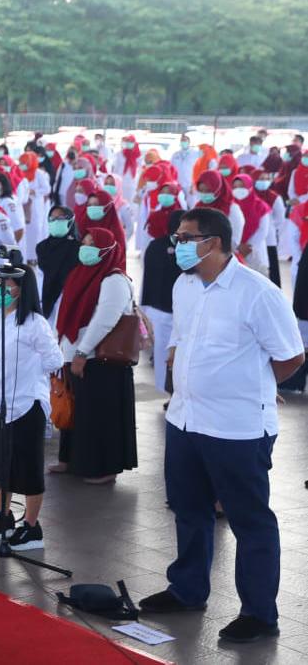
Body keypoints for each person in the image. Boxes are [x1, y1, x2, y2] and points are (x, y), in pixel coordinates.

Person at [139, 207, 304, 645]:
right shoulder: (185, 285)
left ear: (212, 242)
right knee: (189, 509)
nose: (176, 246)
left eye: (184, 238)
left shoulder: (257, 292)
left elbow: (291, 356)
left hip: (237, 428)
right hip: (185, 418)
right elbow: (181, 337)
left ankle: (259, 614)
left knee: (250, 520)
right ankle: (187, 589)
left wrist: (257, 386)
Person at [0, 265, 63, 550]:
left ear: (21, 288)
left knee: (28, 467)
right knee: (1, 464)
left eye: (6, 284)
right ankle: (3, 518)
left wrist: (30, 372)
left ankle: (31, 527)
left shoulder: (35, 323)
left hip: (26, 404)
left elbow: (54, 360)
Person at [52, 227, 137, 484]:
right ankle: (70, 459)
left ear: (107, 249)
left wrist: (81, 352)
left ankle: (104, 468)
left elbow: (104, 321)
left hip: (99, 359)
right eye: (85, 242)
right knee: (77, 410)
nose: (85, 248)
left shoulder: (114, 280)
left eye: (92, 244)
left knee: (99, 414)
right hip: (76, 354)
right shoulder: (79, 274)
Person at [140, 210, 184, 393]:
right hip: (160, 311)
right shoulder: (156, 246)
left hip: (185, 312)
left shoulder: (193, 249)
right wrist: (145, 310)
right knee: (162, 355)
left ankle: (180, 392)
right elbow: (148, 280)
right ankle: (167, 392)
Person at [35, 206, 79, 324]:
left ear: (70, 221)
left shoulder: (77, 248)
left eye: (60, 218)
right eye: (52, 218)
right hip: (45, 298)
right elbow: (40, 274)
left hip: (69, 299)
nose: (55, 222)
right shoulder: (42, 247)